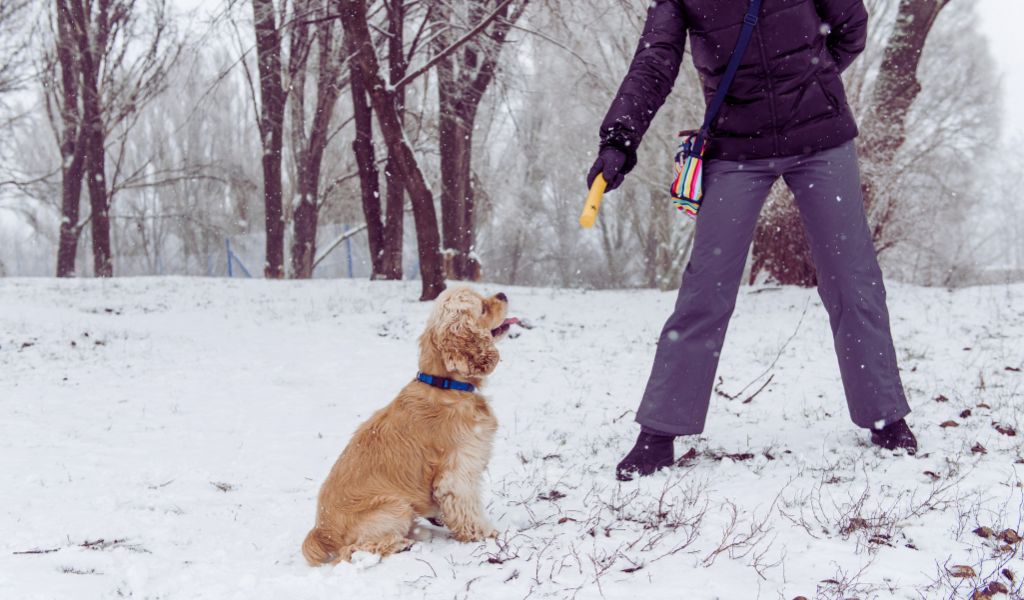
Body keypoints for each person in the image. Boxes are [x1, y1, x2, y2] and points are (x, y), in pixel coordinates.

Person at [587, 0, 918, 481]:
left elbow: (851, 27)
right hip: (735, 150)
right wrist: (619, 140)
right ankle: (659, 432)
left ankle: (885, 415)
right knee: (706, 288)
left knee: (853, 277)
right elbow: (654, 62)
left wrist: (809, 83)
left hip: (821, 140)